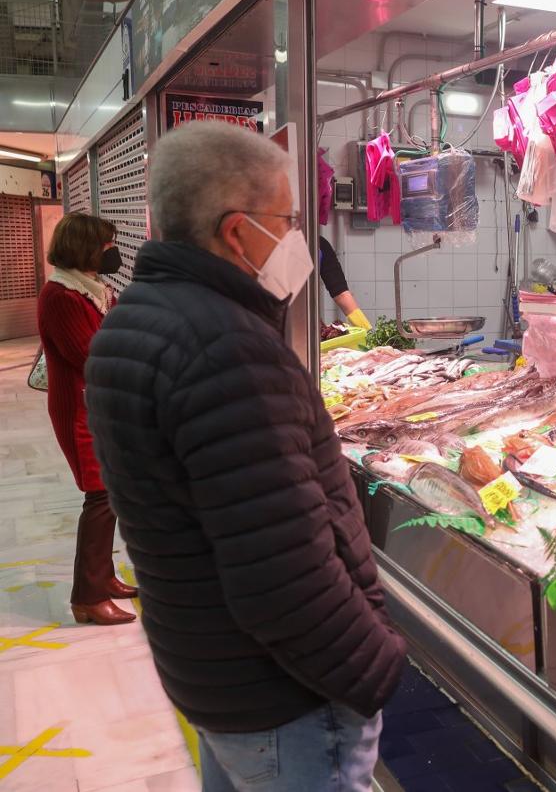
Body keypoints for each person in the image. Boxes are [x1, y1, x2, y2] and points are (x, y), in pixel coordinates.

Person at [84, 121, 405, 792]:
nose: (294, 239)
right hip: (282, 700)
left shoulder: (133, 319)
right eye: (286, 220)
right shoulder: (226, 349)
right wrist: (375, 663)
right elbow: (283, 578)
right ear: (236, 231)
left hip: (209, 669)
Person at [36, 213, 137, 626]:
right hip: (80, 410)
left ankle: (103, 576)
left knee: (108, 495)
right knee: (99, 499)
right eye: (106, 244)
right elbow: (90, 355)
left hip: (98, 406)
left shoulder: (91, 291)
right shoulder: (61, 295)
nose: (112, 251)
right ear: (85, 248)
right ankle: (88, 598)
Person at [318, 235, 371, 328]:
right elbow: (341, 293)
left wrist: (365, 329)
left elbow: (340, 292)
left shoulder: (319, 244)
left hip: (305, 326)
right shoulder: (318, 243)